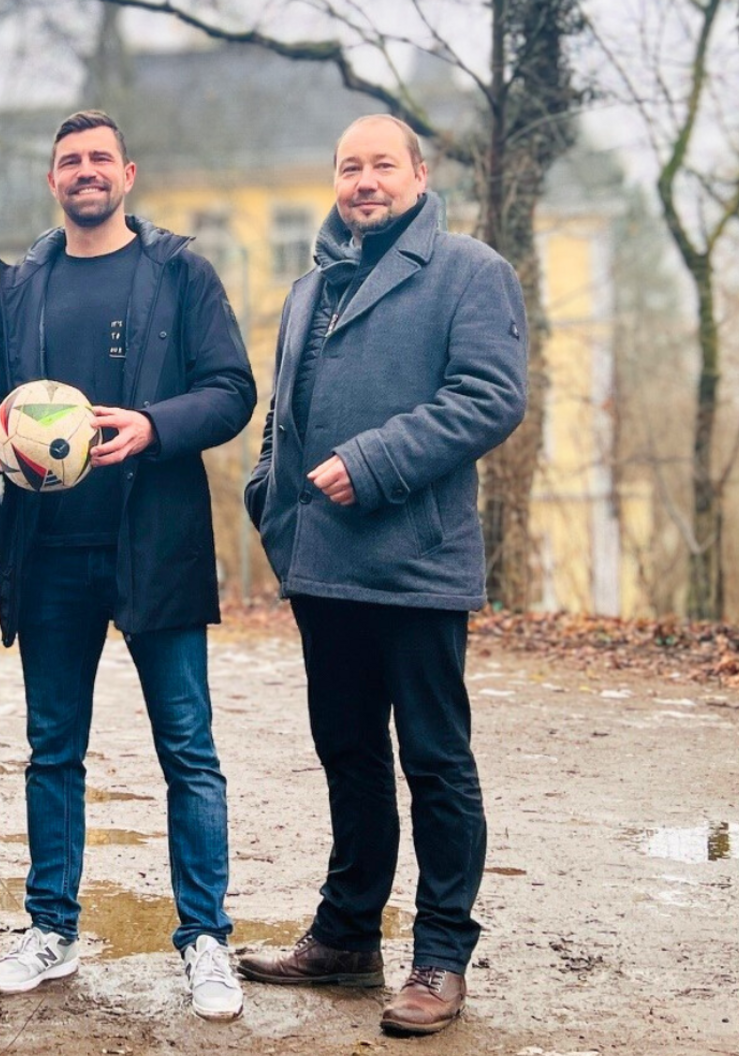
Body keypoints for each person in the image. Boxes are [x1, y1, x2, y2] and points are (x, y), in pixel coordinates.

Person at [0, 110, 256, 1020]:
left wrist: (155, 425)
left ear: (127, 174)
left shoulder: (180, 272)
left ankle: (205, 939)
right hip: (48, 553)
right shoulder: (22, 287)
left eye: (99, 159)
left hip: (155, 545)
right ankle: (50, 929)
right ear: (53, 181)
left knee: (188, 750)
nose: (84, 171)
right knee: (53, 749)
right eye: (69, 161)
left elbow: (232, 390)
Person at [238, 114, 528, 1037]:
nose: (365, 181)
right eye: (349, 167)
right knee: (349, 754)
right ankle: (347, 935)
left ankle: (440, 955)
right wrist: (268, 500)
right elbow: (283, 413)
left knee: (435, 761)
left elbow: (490, 397)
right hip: (321, 566)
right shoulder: (308, 288)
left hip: (417, 564)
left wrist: (372, 462)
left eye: (382, 166)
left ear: (419, 174)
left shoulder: (470, 271)